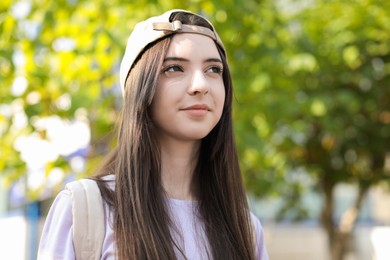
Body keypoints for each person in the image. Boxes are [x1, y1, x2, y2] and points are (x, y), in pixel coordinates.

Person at [38, 9, 269, 260]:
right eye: (174, 68)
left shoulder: (244, 228)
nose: (201, 85)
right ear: (141, 87)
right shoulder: (85, 209)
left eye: (213, 69)